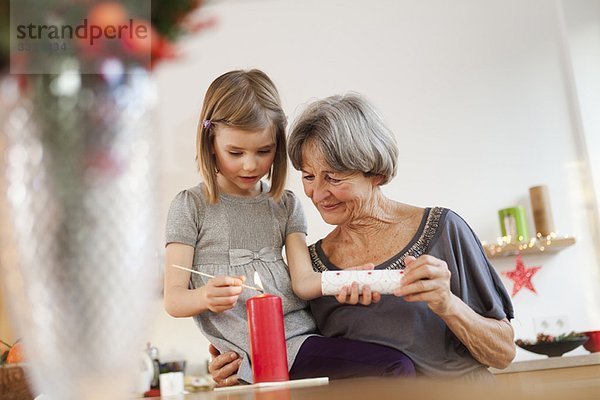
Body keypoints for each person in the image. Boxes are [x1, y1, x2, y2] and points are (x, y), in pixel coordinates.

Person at [209, 93, 516, 383]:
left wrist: (448, 304)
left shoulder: (444, 230)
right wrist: (237, 368)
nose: (317, 193)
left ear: (375, 172)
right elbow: (301, 359)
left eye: (334, 177)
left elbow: (503, 354)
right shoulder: (312, 271)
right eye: (308, 176)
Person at [164, 70, 415, 385]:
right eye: (235, 152)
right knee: (394, 368)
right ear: (210, 142)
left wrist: (350, 281)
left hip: (298, 340)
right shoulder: (190, 206)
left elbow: (304, 283)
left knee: (395, 367)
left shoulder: (285, 205)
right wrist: (204, 297)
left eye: (264, 151)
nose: (250, 165)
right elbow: (173, 299)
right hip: (251, 360)